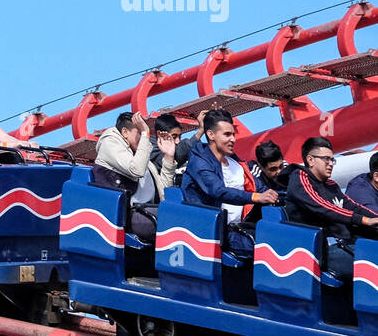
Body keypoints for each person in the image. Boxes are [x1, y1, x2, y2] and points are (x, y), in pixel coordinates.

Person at [181, 109, 278, 255]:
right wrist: (256, 197)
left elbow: (261, 188)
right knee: (267, 250)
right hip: (210, 232)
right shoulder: (199, 160)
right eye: (227, 134)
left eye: (233, 134)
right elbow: (217, 190)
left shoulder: (237, 164)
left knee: (283, 240)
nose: (233, 139)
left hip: (239, 229)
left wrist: (276, 195)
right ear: (211, 135)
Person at [284, 137, 378, 281]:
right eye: (326, 159)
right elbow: (322, 206)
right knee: (372, 264)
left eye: (332, 160)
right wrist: (364, 220)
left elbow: (353, 206)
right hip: (320, 250)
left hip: (344, 244)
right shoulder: (300, 178)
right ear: (310, 160)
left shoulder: (331, 185)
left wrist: (374, 218)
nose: (330, 164)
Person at [92, 112, 176, 241]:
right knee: (176, 222)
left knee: (183, 216)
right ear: (125, 132)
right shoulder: (110, 145)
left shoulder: (141, 157)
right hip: (127, 216)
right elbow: (136, 170)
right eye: (139, 133)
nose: (144, 138)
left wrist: (169, 157)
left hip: (147, 212)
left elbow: (164, 193)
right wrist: (145, 134)